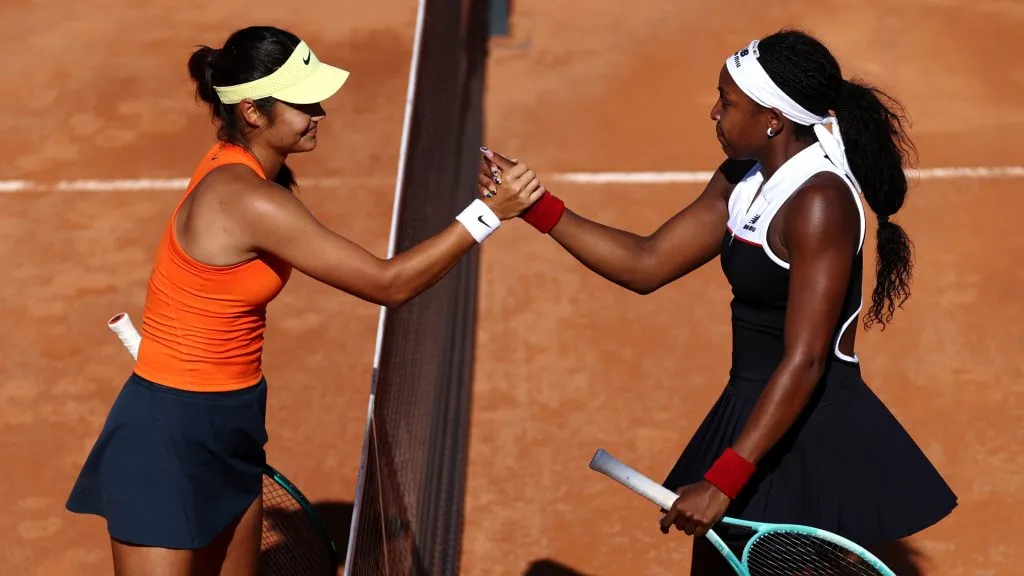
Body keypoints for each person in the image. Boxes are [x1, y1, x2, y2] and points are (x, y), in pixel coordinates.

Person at [65, 25, 543, 576]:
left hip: (233, 420)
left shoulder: (246, 170)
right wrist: (488, 213)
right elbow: (388, 284)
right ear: (252, 111)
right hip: (167, 431)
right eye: (302, 101)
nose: (319, 111)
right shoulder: (245, 198)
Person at [482, 29, 957, 574]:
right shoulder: (743, 179)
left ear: (773, 118)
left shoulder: (819, 204)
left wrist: (724, 479)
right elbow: (646, 263)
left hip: (806, 427)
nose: (714, 112)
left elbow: (805, 359)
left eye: (728, 103)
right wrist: (535, 208)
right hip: (750, 413)